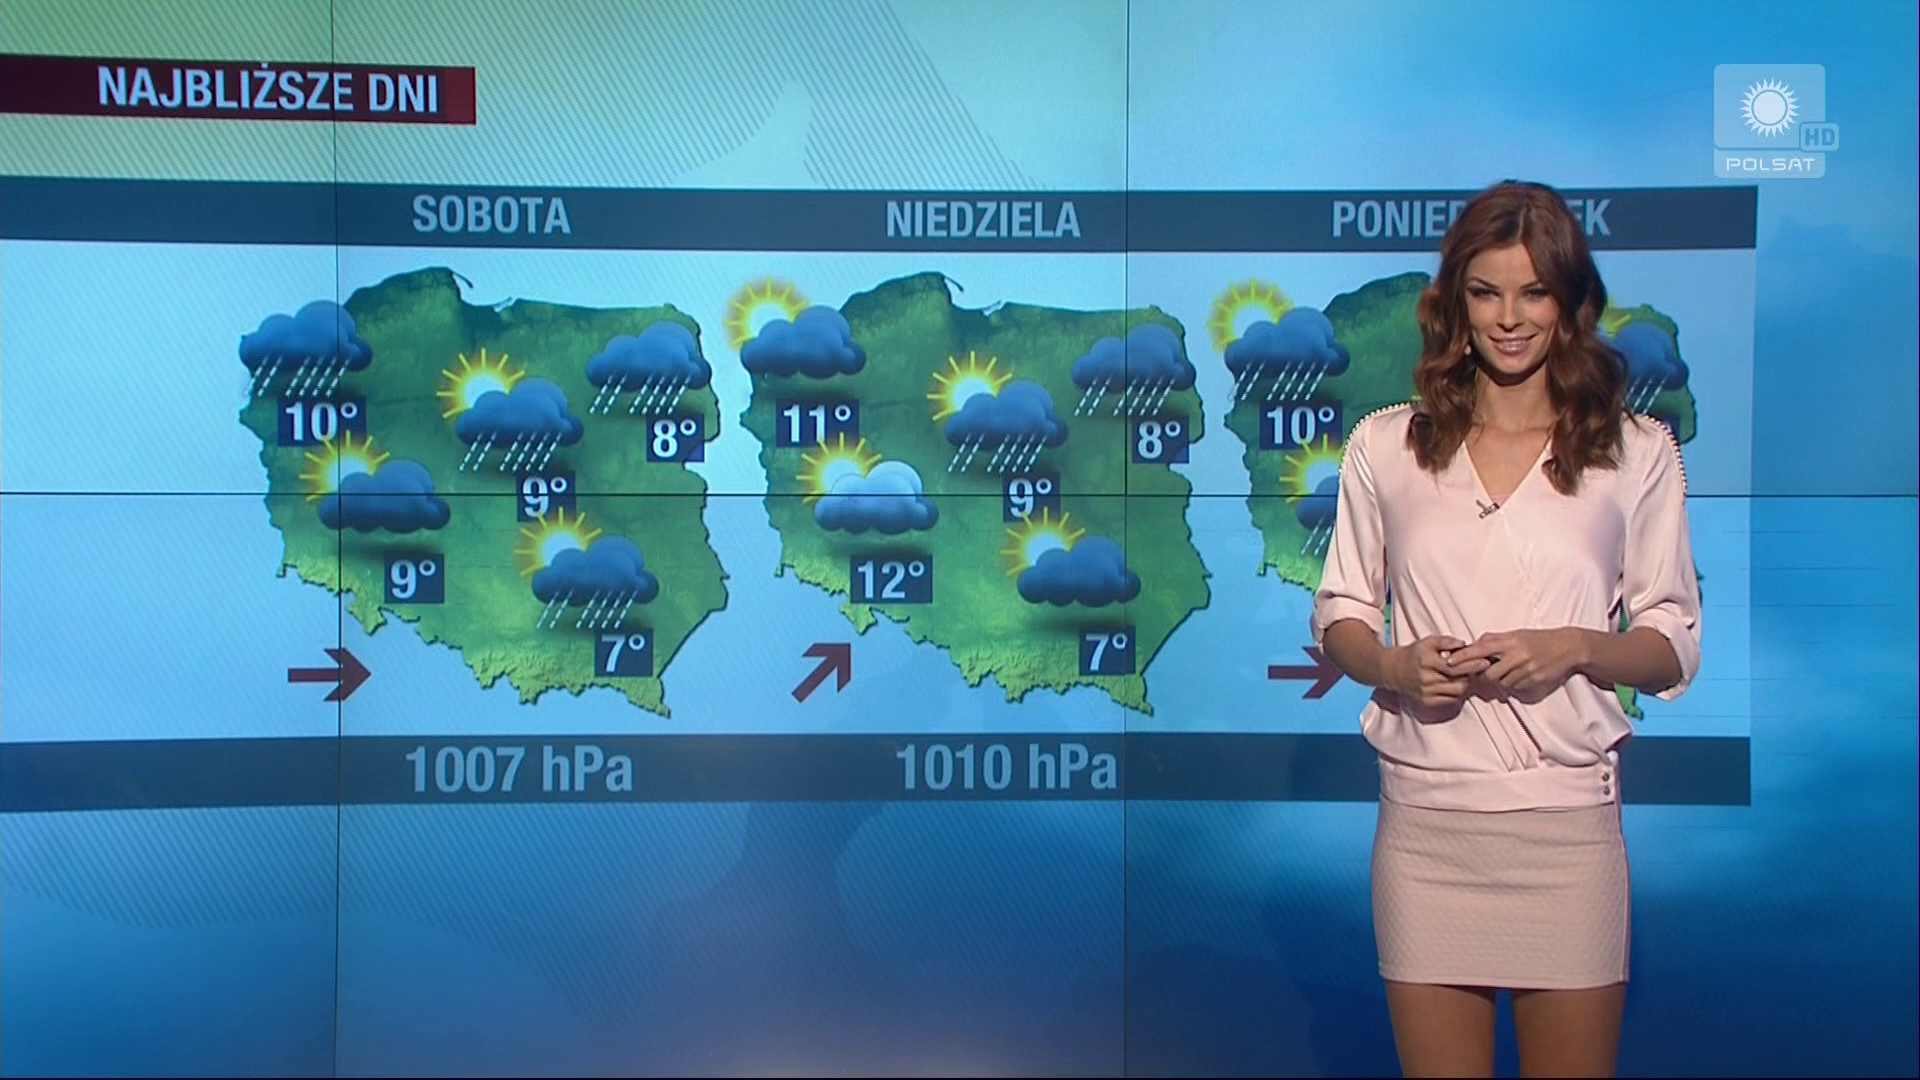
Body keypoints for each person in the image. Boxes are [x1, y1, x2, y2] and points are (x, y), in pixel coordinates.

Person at [1311, 179, 1703, 1079]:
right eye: (1486, 293)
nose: (1510, 319)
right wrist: (1396, 669)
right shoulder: (1386, 447)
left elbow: (1671, 643)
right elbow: (1340, 615)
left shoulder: (1635, 452)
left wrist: (1576, 647)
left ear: (1570, 302)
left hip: (1566, 831)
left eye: (1534, 293)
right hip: (1427, 829)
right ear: (1456, 303)